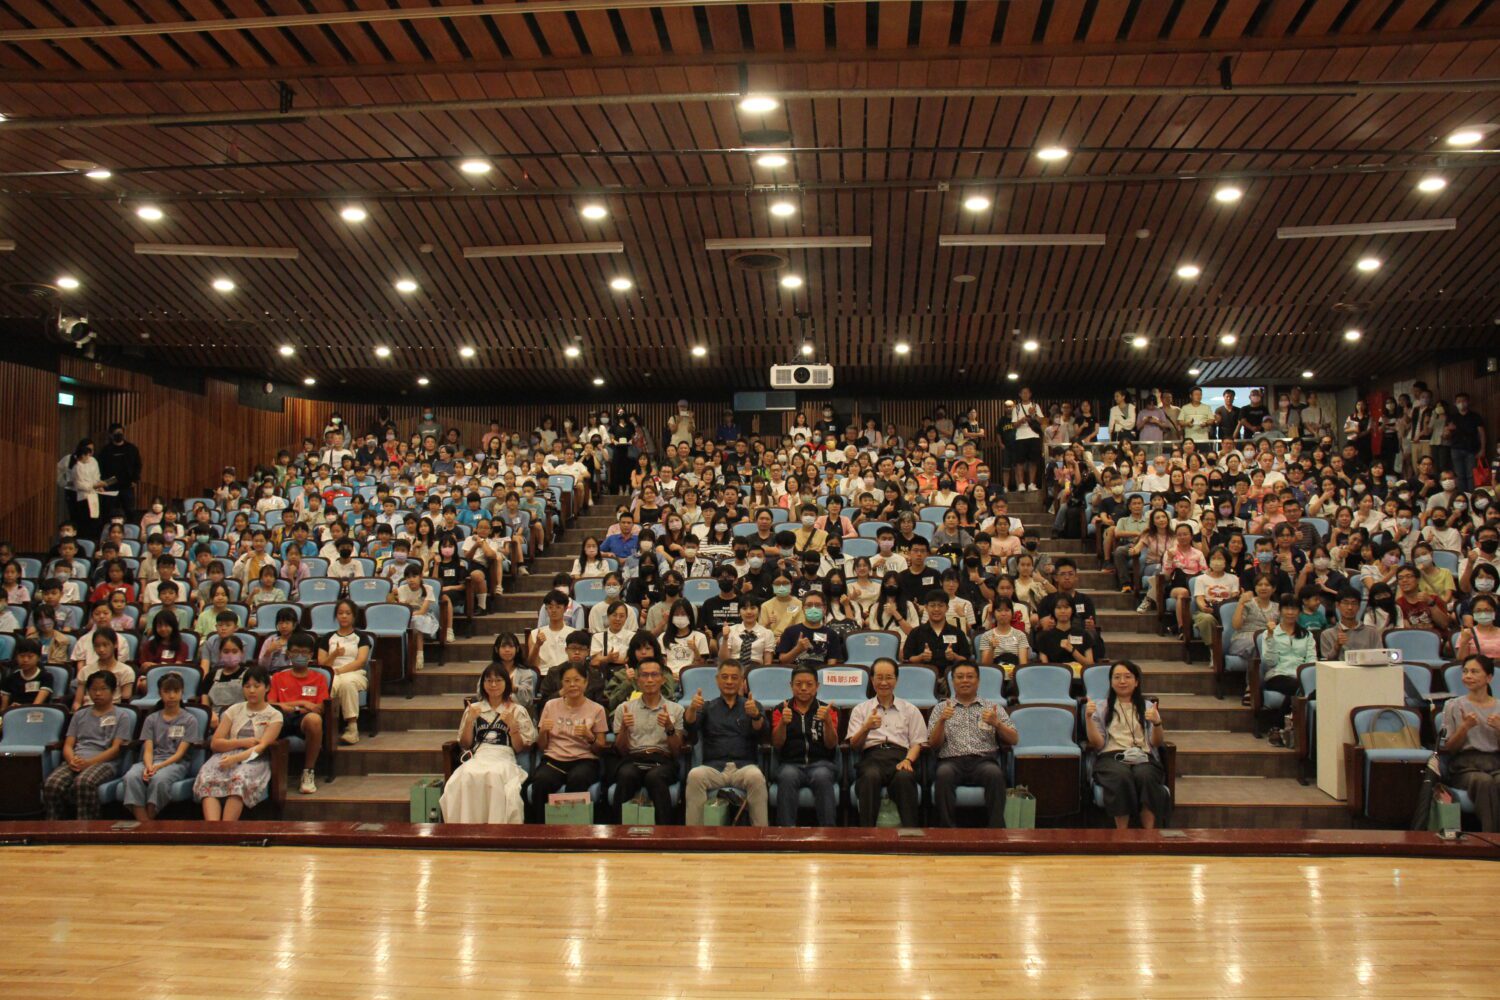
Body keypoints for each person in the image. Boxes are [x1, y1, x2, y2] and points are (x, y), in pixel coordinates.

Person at [440, 663, 537, 824]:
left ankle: (495, 827)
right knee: (465, 776)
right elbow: (465, 743)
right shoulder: (474, 709)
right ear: (483, 684)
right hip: (480, 755)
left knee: (494, 775)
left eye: (498, 680)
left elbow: (520, 748)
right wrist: (470, 721)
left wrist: (513, 727)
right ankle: (466, 826)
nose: (493, 685)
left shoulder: (517, 710)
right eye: (489, 681)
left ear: (506, 683)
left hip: (504, 756)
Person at [928, 661, 1018, 827]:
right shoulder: (941, 708)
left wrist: (997, 723)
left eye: (970, 677)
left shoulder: (993, 708)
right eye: (960, 677)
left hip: (983, 760)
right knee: (943, 774)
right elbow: (933, 744)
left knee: (995, 774)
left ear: (978, 680)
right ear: (952, 681)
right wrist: (941, 721)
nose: (965, 681)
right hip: (951, 761)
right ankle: (946, 831)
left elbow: (1014, 739)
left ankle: (996, 831)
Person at [1085, 660, 1171, 829]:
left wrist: (1158, 723)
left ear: (1136, 681)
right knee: (1120, 776)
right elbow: (1097, 743)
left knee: (1145, 776)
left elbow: (1156, 742)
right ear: (1111, 682)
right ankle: (1122, 835)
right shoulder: (1102, 707)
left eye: (1127, 677)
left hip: (1143, 756)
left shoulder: (1147, 707)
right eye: (1117, 677)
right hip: (1111, 757)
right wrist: (1088, 718)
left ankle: (1149, 834)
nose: (1122, 681)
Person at [683, 661, 769, 826]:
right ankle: (694, 836)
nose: (729, 681)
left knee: (757, 777)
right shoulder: (707, 706)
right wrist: (692, 709)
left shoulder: (752, 705)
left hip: (743, 767)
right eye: (725, 677)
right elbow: (690, 726)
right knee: (695, 775)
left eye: (734, 677)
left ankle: (761, 836)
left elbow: (762, 733)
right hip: (714, 768)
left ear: (742, 681)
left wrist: (756, 716)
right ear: (717, 680)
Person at [43, 670, 134, 820]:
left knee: (83, 782)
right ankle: (55, 827)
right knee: (52, 784)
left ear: (113, 691)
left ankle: (87, 827)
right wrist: (71, 760)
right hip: (77, 760)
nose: (98, 693)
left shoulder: (121, 716)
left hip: (105, 762)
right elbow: (68, 744)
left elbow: (116, 749)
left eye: (103, 689)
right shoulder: (80, 714)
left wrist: (89, 763)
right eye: (93, 689)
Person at [846, 658, 928, 827]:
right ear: (872, 680)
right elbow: (854, 745)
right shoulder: (861, 709)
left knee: (905, 778)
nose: (884, 682)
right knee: (870, 777)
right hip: (872, 757)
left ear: (896, 680)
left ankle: (910, 836)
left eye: (889, 677)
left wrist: (908, 761)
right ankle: (867, 835)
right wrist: (866, 727)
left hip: (901, 757)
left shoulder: (910, 710)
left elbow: (917, 743)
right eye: (879, 677)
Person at [528, 661, 608, 818]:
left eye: (577, 680)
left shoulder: (597, 709)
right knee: (541, 782)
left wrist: (590, 737)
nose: (572, 685)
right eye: (567, 681)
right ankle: (541, 833)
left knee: (577, 779)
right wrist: (543, 732)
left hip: (584, 760)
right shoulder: (551, 706)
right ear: (561, 683)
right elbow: (543, 747)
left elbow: (600, 748)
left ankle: (573, 833)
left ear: (586, 682)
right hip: (554, 759)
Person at [611, 657, 686, 823]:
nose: (650, 680)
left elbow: (676, 752)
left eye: (654, 675)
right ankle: (618, 833)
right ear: (638, 680)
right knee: (626, 774)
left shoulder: (676, 709)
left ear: (663, 679)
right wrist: (624, 728)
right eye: (644, 675)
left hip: (663, 761)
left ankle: (664, 834)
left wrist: (669, 728)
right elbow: (621, 751)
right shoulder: (624, 709)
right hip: (633, 759)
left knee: (655, 777)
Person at [122, 673, 201, 821]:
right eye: (167, 691)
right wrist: (149, 765)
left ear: (182, 692)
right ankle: (143, 823)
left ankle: (148, 824)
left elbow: (180, 753)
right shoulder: (151, 719)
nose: (171, 696)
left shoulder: (190, 720)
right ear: (160, 693)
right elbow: (148, 749)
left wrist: (158, 767)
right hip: (152, 760)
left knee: (159, 780)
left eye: (175, 691)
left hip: (175, 763)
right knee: (131, 777)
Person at [771, 666, 840, 827]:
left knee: (822, 776)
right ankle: (786, 835)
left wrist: (828, 722)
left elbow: (831, 744)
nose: (803, 688)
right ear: (791, 685)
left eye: (809, 684)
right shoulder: (781, 709)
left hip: (821, 764)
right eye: (798, 684)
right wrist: (782, 723)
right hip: (790, 764)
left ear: (817, 686)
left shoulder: (828, 710)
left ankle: (828, 834)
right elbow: (777, 743)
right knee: (787, 776)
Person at [1440, 654, 1500, 831]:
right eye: (1465, 671)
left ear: (1489, 677)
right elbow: (1450, 748)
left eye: (1474, 672)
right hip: (1465, 767)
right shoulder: (1453, 705)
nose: (1468, 676)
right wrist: (1464, 727)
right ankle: (1492, 838)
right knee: (1483, 781)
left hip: (1495, 763)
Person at [268, 632, 328, 795]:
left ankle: (308, 772)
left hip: (304, 719)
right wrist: (301, 703)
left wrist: (291, 706)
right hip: (281, 717)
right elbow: (272, 704)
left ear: (311, 655)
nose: (300, 656)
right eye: (295, 652)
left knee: (314, 720)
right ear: (288, 654)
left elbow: (320, 707)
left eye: (304, 652)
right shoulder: (278, 677)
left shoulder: (319, 678)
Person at [318, 599, 371, 745]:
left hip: (355, 673)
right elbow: (321, 664)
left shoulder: (361, 637)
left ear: (354, 616)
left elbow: (361, 661)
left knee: (347, 683)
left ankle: (352, 729)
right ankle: (326, 728)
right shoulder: (327, 637)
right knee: (331, 684)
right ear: (336, 616)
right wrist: (334, 655)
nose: (344, 616)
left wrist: (339, 671)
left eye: (348, 613)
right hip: (331, 673)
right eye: (340, 613)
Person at [1318, 588, 1384, 660]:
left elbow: (1380, 657)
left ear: (1359, 606)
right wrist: (1337, 647)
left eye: (1354, 603)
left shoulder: (1372, 633)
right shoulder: (1327, 634)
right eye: (1345, 603)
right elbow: (1326, 663)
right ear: (1337, 605)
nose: (1350, 607)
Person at [1, 638, 52, 709]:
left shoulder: (46, 677)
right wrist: (10, 710)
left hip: (36, 715)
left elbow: (37, 704)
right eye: (22, 656)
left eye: (30, 656)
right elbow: (3, 709)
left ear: (38, 658)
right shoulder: (10, 678)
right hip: (13, 714)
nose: (25, 660)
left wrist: (21, 708)